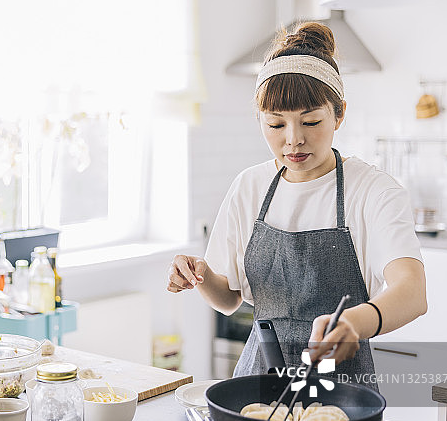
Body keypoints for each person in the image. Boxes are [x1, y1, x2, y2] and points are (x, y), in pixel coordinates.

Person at [166, 22, 427, 388]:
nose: (294, 140)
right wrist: (201, 275)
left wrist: (354, 323)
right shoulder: (249, 186)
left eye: (311, 121)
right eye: (275, 125)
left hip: (344, 388)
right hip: (259, 380)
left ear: (339, 114)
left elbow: (412, 293)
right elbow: (228, 300)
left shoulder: (373, 191)